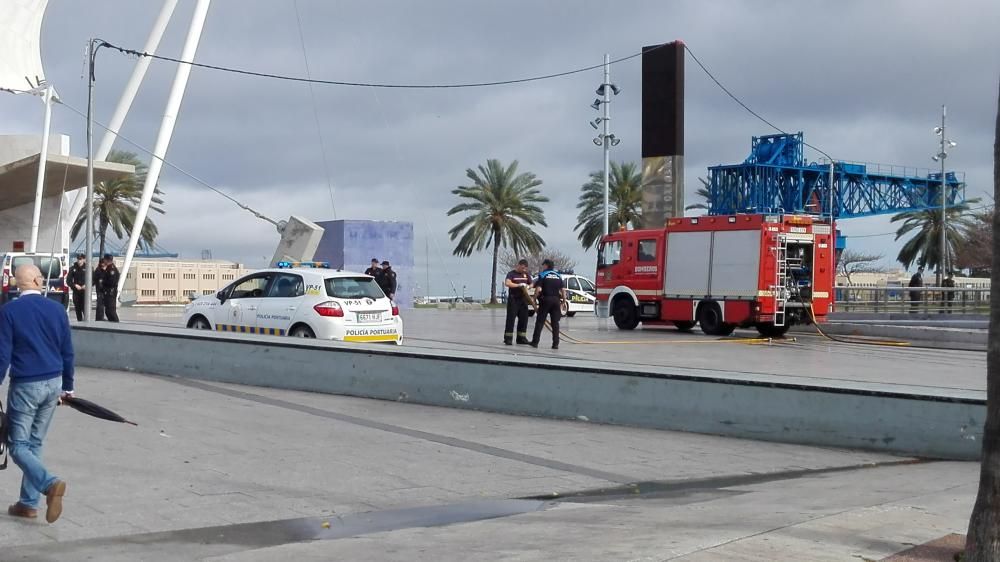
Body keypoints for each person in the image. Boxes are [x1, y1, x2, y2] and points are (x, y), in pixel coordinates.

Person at [0, 264, 74, 523]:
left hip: (26, 386)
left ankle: (50, 484)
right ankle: (28, 504)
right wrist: (68, 387)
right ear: (32, 280)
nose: (43, 279)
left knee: (18, 445)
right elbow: (67, 350)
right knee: (35, 444)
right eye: (41, 276)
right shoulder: (56, 309)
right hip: (53, 382)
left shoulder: (9, 311)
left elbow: (3, 354)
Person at [530, 259, 566, 350]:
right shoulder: (558, 276)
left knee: (540, 322)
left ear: (546, 265)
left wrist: (534, 299)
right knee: (555, 323)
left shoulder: (543, 275)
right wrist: (564, 301)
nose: (543, 267)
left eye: (543, 265)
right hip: (556, 301)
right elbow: (563, 290)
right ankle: (555, 344)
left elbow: (538, 289)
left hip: (546, 300)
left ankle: (535, 342)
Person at [502, 259, 532, 345]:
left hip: (523, 299)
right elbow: (507, 283)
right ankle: (508, 338)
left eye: (525, 268)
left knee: (524, 319)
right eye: (522, 268)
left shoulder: (526, 275)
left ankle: (521, 338)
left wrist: (528, 286)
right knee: (511, 319)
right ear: (518, 265)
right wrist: (518, 285)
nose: (524, 270)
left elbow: (531, 283)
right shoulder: (511, 274)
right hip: (514, 299)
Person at [94, 255, 120, 323]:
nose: (104, 261)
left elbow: (111, 282)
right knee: (108, 311)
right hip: (107, 292)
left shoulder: (112, 270)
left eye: (105, 260)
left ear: (107, 260)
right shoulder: (108, 268)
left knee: (111, 310)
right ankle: (112, 324)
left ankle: (116, 324)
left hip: (110, 293)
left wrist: (103, 281)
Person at [67, 254, 87, 322]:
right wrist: (74, 285)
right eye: (78, 259)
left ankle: (87, 323)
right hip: (76, 291)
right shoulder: (73, 268)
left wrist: (87, 285)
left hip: (85, 292)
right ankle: (80, 322)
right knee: (78, 308)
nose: (79, 261)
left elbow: (93, 280)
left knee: (85, 308)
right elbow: (68, 281)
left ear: (84, 259)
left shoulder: (88, 268)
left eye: (81, 259)